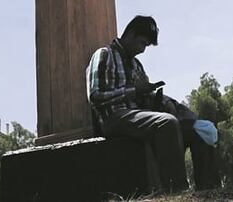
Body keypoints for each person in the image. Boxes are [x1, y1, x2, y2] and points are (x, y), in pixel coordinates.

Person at [86, 15, 221, 192]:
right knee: (166, 123)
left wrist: (163, 101)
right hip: (114, 118)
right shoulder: (104, 54)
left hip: (141, 117)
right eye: (142, 43)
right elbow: (95, 96)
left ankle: (208, 190)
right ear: (131, 34)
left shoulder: (137, 65)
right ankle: (176, 190)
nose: (143, 50)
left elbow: (145, 97)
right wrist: (134, 91)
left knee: (199, 129)